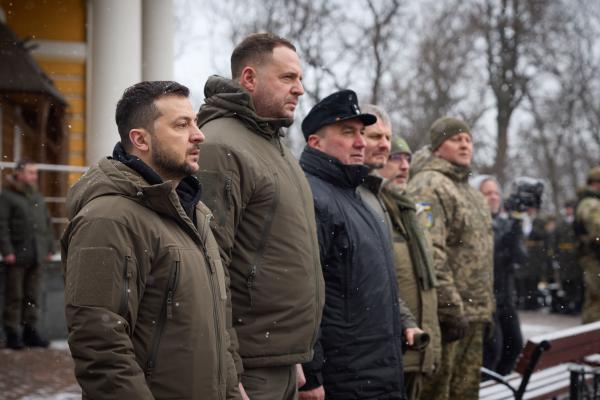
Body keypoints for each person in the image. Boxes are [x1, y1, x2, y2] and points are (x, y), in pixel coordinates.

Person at [62, 81, 239, 399]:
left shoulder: (195, 212)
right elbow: (100, 346)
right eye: (182, 124)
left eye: (195, 122)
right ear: (140, 139)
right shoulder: (108, 218)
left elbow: (218, 323)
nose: (198, 135)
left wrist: (230, 388)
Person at [195, 33, 324, 400]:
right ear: (249, 79)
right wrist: (229, 365)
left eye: (299, 79)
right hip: (248, 368)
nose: (299, 89)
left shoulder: (274, 145)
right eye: (288, 78)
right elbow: (207, 268)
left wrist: (292, 351)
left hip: (278, 359)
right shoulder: (220, 147)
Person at [299, 90, 405, 400]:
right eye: (348, 132)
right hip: (345, 379)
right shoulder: (313, 198)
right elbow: (303, 295)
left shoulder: (354, 196)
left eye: (362, 132)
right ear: (315, 143)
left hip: (376, 372)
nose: (361, 142)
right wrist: (311, 375)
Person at [406, 117, 493, 400]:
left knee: (465, 392)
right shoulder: (429, 185)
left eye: (468, 139)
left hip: (474, 313)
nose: (465, 144)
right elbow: (430, 252)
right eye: (456, 139)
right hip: (448, 316)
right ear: (437, 146)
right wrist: (450, 307)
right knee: (438, 392)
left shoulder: (470, 191)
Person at [375, 130, 441, 400]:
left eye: (407, 159)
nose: (404, 166)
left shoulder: (409, 211)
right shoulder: (375, 208)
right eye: (395, 158)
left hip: (418, 343)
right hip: (394, 345)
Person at [0, 159, 54, 349]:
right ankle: (12, 334)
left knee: (33, 295)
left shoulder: (37, 196)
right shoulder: (7, 195)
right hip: (16, 256)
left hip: (37, 254)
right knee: (14, 296)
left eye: (35, 173)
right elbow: (2, 225)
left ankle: (30, 332)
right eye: (31, 172)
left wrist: (49, 248)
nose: (34, 176)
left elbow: (46, 224)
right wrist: (6, 251)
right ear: (19, 173)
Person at [477, 176, 526, 376]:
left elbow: (521, 257)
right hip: (486, 300)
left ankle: (501, 388)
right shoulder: (476, 223)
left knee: (514, 346)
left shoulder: (505, 223)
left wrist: (515, 228)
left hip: (506, 298)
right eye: (487, 193)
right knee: (491, 352)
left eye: (496, 193)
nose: (493, 197)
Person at [574, 166, 600, 323]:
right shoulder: (590, 203)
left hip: (593, 257)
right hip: (594, 258)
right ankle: (592, 342)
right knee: (596, 303)